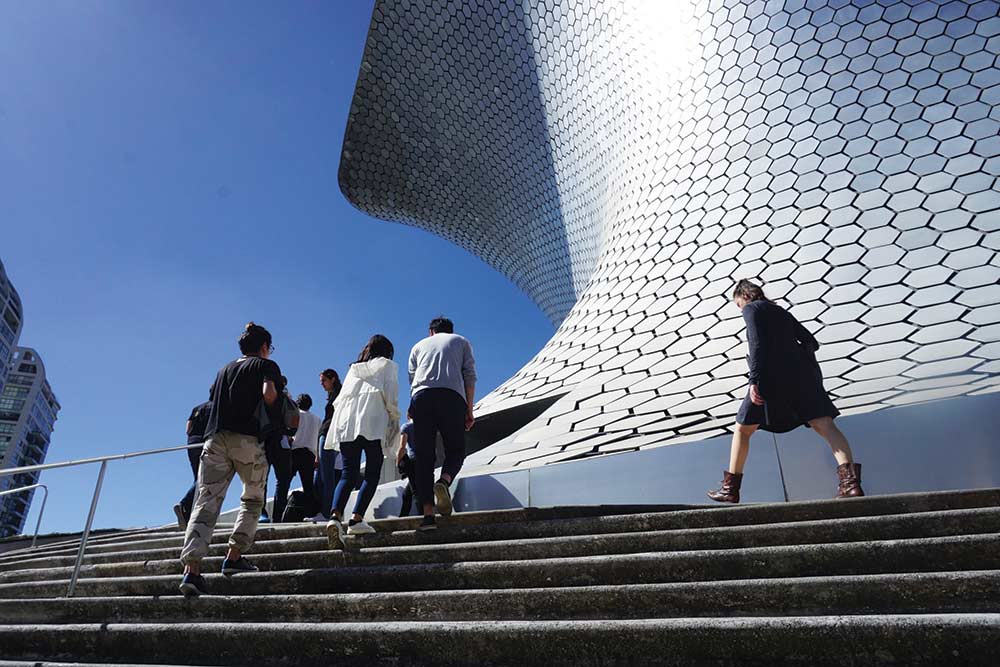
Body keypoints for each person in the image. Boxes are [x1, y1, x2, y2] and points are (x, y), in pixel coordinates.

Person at [708, 280, 864, 504]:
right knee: (826, 426)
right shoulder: (780, 311)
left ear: (743, 297)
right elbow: (811, 341)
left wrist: (755, 380)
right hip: (802, 379)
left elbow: (756, 343)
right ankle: (851, 486)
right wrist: (794, 357)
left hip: (770, 379)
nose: (739, 308)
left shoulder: (752, 309)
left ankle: (730, 490)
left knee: (742, 429)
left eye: (738, 303)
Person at [178, 322, 281, 597]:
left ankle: (192, 570)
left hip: (215, 440)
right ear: (263, 347)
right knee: (252, 499)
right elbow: (269, 395)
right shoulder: (264, 366)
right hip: (247, 439)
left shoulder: (224, 369)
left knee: (206, 501)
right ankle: (234, 556)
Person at [325, 335, 400, 539]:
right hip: (372, 420)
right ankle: (357, 518)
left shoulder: (354, 369)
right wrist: (394, 419)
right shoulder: (388, 366)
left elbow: (341, 400)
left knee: (347, 473)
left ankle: (334, 516)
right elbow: (391, 396)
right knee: (373, 471)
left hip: (347, 422)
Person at [408, 316, 476, 531]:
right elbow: (470, 376)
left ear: (431, 332)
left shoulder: (418, 346)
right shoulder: (461, 341)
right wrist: (469, 408)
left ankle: (428, 515)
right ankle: (444, 481)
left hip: (422, 397)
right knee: (456, 449)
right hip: (451, 397)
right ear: (450, 330)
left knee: (424, 457)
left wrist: (413, 405)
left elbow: (413, 378)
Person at [264, 376, 299, 524]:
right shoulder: (287, 399)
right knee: (281, 480)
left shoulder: (284, 399)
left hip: (267, 441)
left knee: (264, 479)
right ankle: (275, 514)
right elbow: (294, 424)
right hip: (279, 442)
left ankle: (267, 514)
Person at [173, 398, 212, 530]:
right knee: (205, 478)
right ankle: (185, 504)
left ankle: (190, 512)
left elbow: (188, 428)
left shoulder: (197, 408)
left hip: (192, 444)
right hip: (205, 443)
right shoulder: (215, 407)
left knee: (198, 478)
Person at [315, 369, 342, 518]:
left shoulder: (340, 394)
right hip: (326, 434)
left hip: (329, 435)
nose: (322, 385)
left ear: (332, 379)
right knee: (321, 478)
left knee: (327, 478)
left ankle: (327, 513)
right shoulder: (332, 396)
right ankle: (324, 512)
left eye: (324, 381)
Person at [288, 393, 321, 514]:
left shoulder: (296, 415)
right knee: (308, 486)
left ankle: (279, 512)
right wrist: (318, 457)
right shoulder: (317, 420)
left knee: (285, 482)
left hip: (294, 451)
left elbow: (290, 433)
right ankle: (310, 512)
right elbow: (318, 440)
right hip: (309, 454)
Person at [396, 410, 418, 517]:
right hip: (425, 460)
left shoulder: (406, 427)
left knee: (415, 491)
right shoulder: (424, 427)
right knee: (407, 494)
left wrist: (398, 461)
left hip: (413, 461)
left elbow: (402, 447)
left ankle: (423, 516)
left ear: (408, 415)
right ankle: (402, 517)